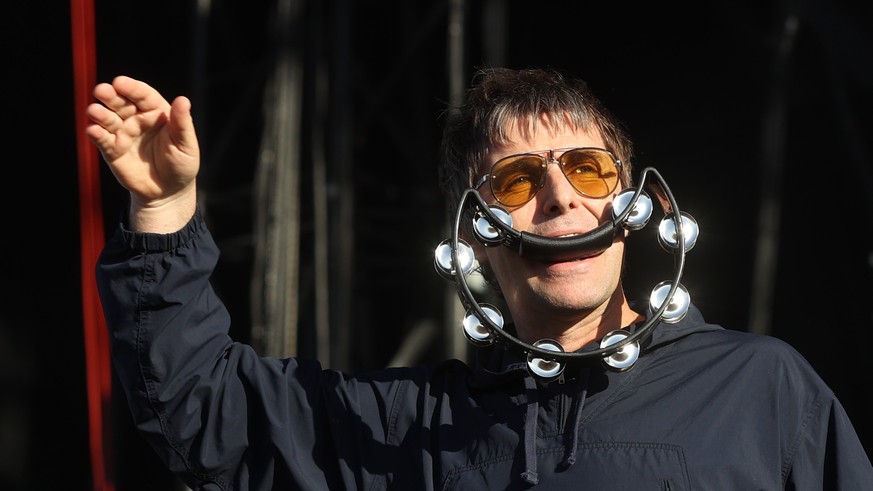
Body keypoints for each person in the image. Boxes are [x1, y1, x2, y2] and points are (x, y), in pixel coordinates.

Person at [87, 68, 873, 490]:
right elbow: (204, 414)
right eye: (517, 181)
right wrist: (162, 208)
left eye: (591, 170)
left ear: (633, 205)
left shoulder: (761, 389)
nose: (564, 199)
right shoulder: (413, 429)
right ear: (472, 234)